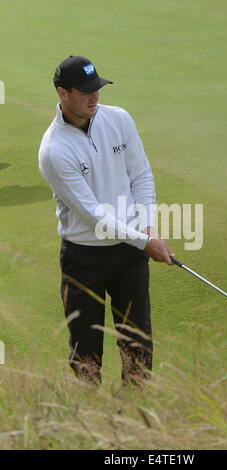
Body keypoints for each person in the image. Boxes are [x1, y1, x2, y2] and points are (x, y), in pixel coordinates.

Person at [38, 55, 174, 385]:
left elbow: (141, 174)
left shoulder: (119, 120)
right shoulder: (54, 150)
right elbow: (93, 213)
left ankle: (136, 423)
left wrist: (148, 227)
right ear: (62, 93)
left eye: (97, 87)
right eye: (85, 91)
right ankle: (91, 429)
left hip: (129, 255)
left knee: (138, 347)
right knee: (86, 357)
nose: (94, 96)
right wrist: (145, 241)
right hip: (84, 260)